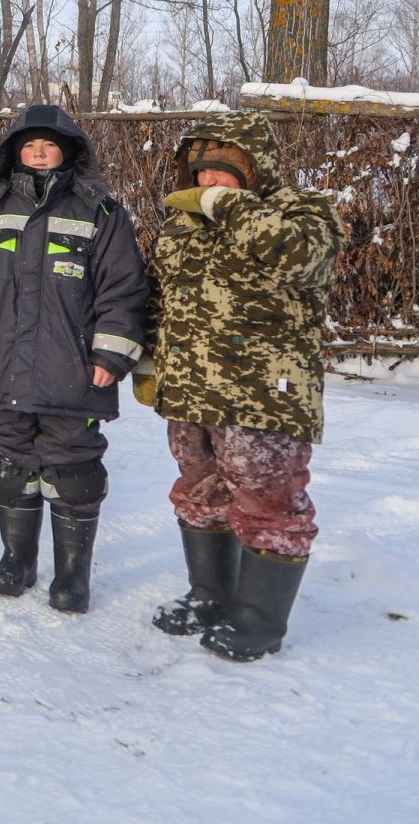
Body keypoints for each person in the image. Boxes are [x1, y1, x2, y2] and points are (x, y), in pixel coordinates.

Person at [140, 112, 341, 661]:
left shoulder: (301, 212)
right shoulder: (181, 225)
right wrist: (148, 363)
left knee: (268, 500)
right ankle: (209, 595)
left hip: (263, 394)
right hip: (189, 389)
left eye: (224, 173)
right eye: (202, 173)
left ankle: (259, 618)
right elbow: (158, 297)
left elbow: (304, 260)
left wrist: (229, 208)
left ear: (256, 170)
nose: (209, 182)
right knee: (199, 493)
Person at [0, 105, 147, 613]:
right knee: (11, 457)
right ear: (13, 150)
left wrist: (111, 353)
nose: (38, 151)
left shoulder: (100, 211)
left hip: (74, 367)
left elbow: (122, 290)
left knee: (72, 463)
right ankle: (18, 560)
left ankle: (73, 576)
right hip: (1, 361)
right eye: (29, 143)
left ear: (69, 152)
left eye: (49, 144)